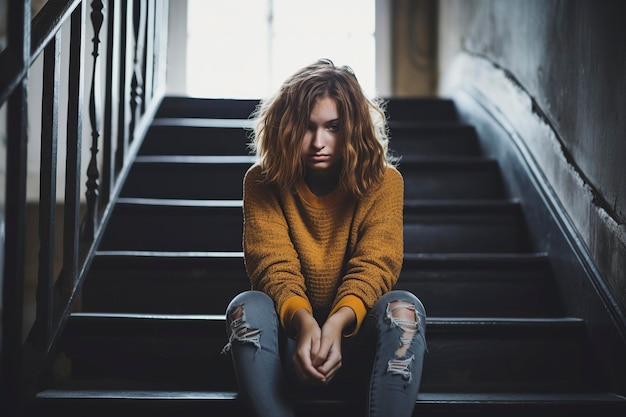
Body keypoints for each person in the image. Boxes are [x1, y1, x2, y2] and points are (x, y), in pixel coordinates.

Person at [222, 58, 427, 417]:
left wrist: (335, 324)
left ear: (352, 129)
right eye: (307, 126)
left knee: (404, 307)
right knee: (247, 306)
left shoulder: (384, 182)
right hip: (289, 350)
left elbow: (376, 266)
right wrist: (305, 326)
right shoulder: (262, 182)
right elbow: (272, 267)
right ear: (287, 128)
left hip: (358, 348)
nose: (319, 142)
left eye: (333, 127)